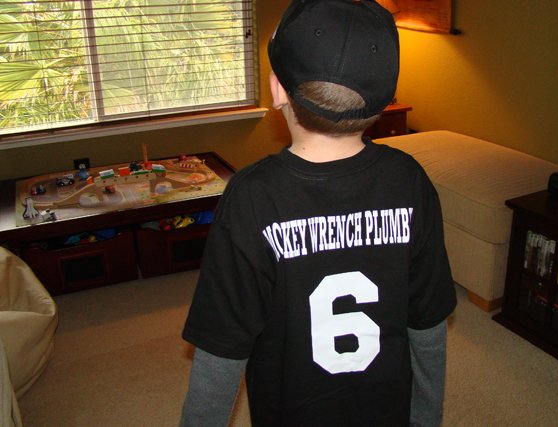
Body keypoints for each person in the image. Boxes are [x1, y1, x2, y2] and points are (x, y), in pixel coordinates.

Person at [179, 1, 457, 426]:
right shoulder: (410, 180)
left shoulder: (252, 196)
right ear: (385, 102)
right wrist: (426, 419)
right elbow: (429, 324)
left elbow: (222, 346)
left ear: (277, 91)